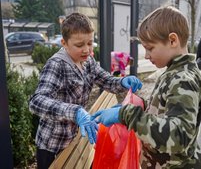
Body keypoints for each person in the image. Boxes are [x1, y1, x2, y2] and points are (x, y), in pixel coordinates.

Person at [92, 6, 201, 168]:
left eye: (150, 48)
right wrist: (142, 105)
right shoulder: (176, 72)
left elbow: (180, 135)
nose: (146, 55)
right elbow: (167, 109)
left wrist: (128, 115)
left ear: (173, 40)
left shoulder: (182, 79)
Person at [29, 13, 142, 169]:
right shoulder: (56, 64)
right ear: (64, 43)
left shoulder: (87, 61)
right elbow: (37, 101)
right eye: (79, 45)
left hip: (75, 139)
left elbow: (106, 80)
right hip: (53, 146)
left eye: (90, 43)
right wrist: (75, 112)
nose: (86, 50)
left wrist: (122, 81)